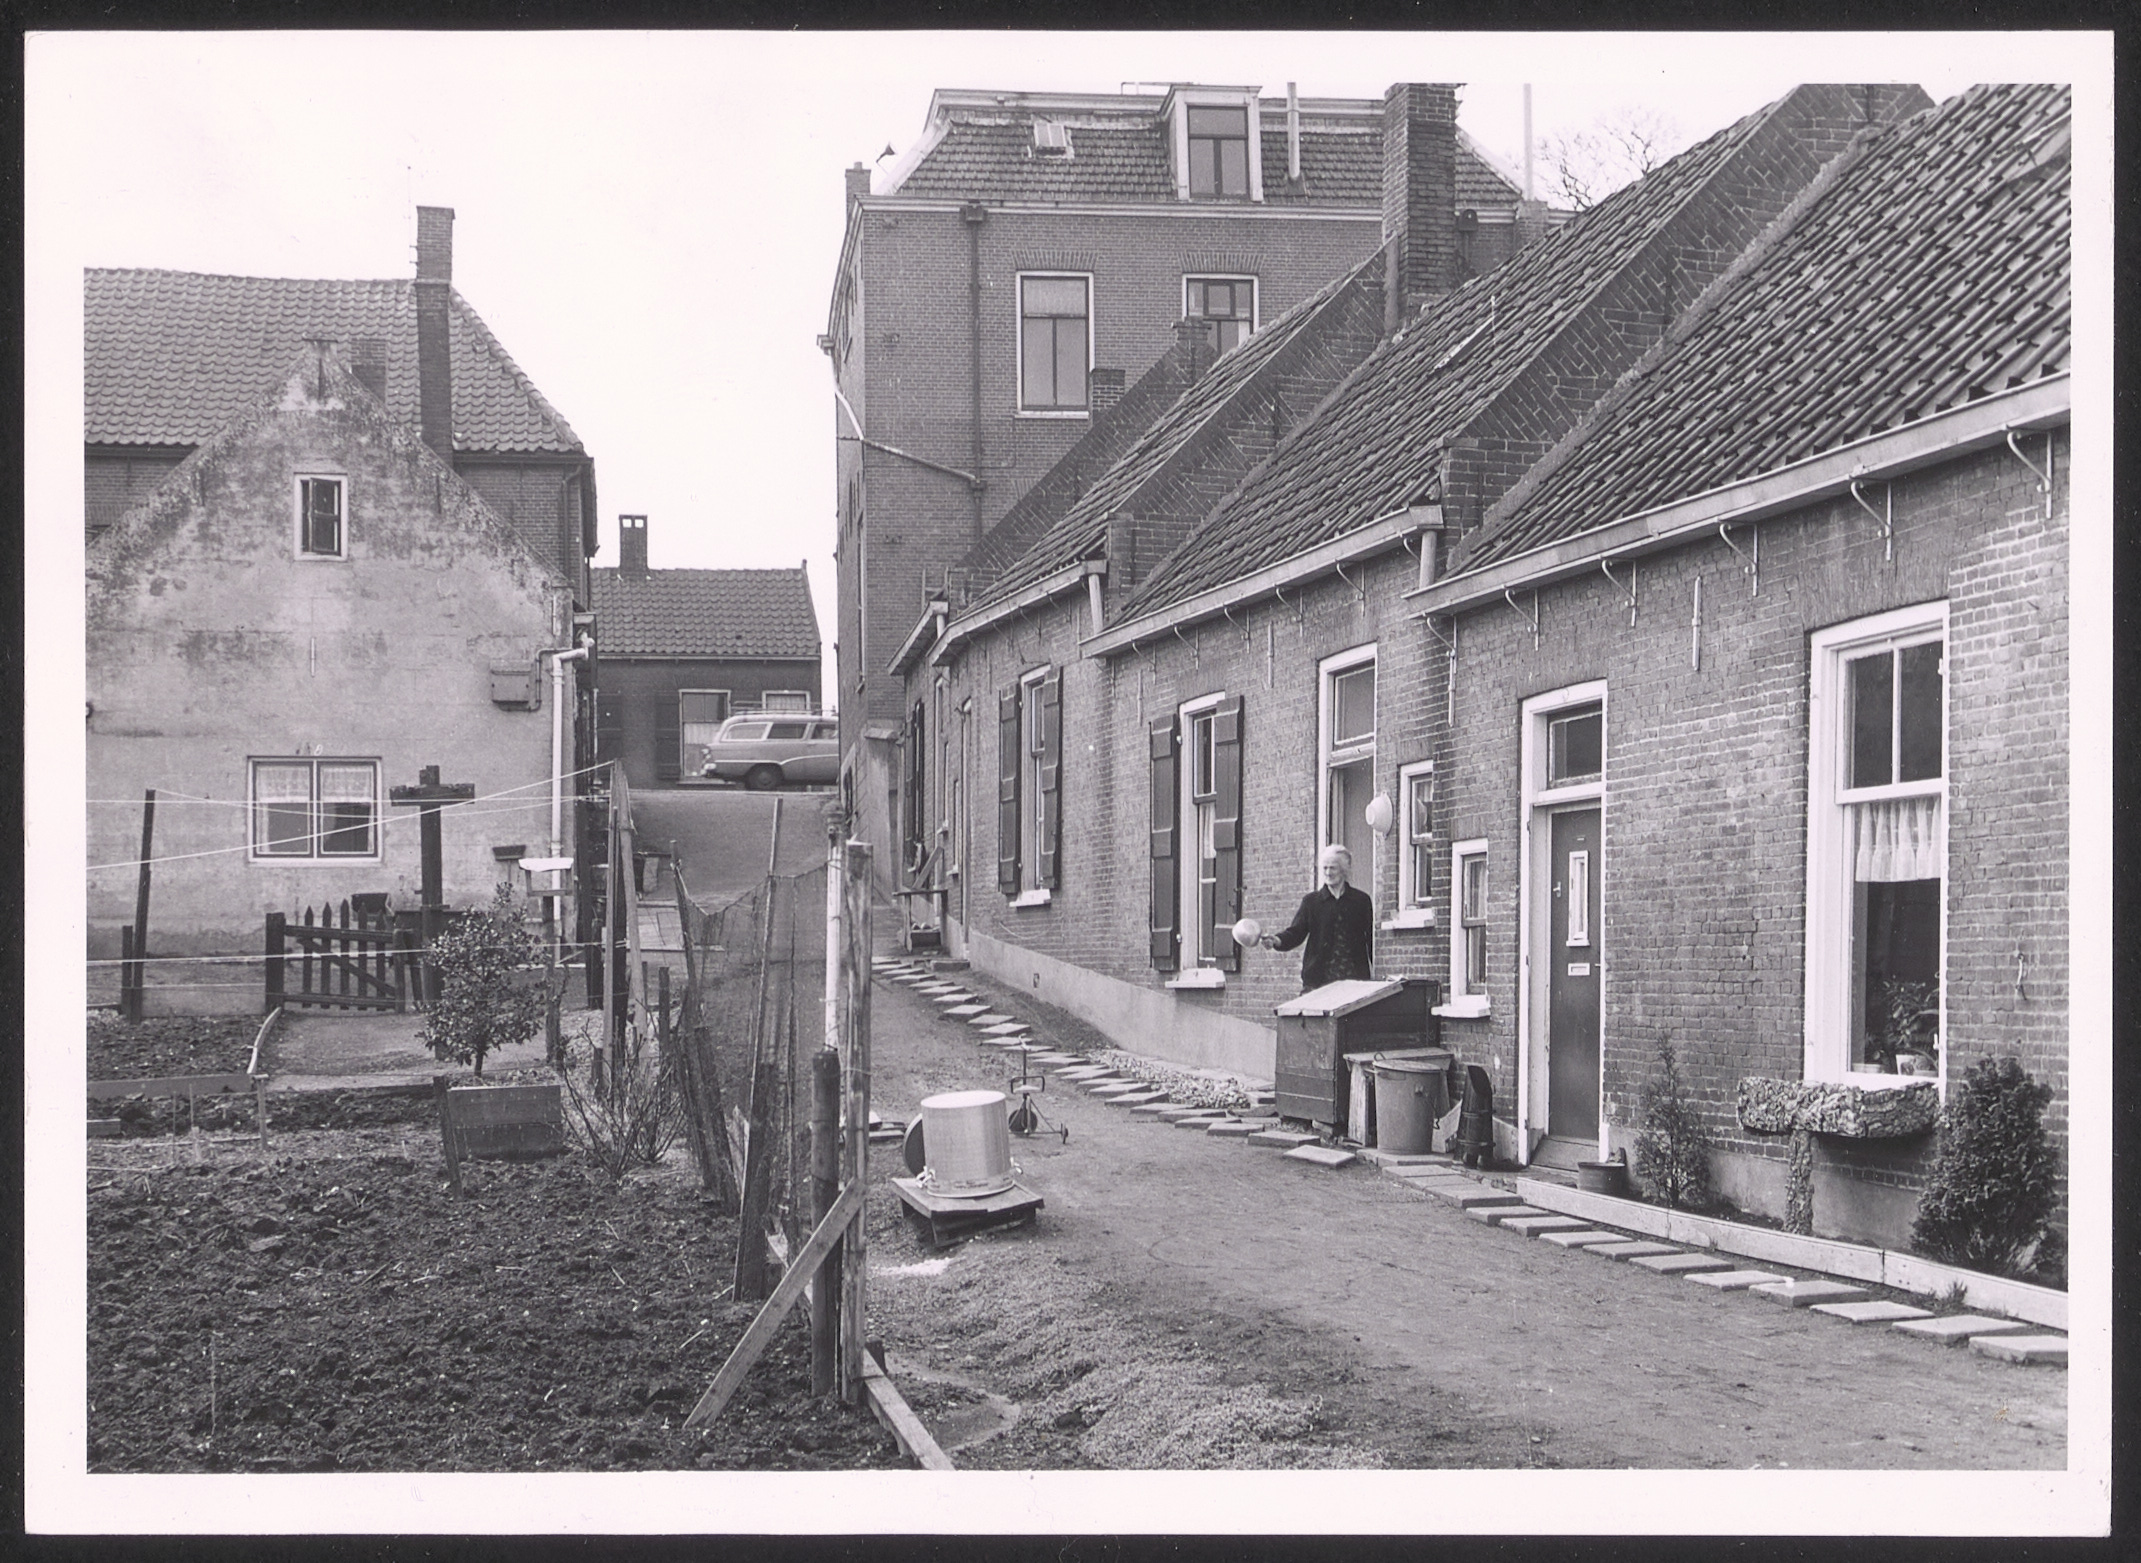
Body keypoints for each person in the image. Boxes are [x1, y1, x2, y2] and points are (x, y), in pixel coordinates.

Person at [1261, 844, 1374, 991]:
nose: (1328, 873)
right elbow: (1296, 932)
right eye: (1325, 868)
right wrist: (1277, 940)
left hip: (1354, 980)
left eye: (1333, 868)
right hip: (1318, 981)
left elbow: (1371, 939)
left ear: (1344, 870)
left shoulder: (1361, 901)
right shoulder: (1311, 902)